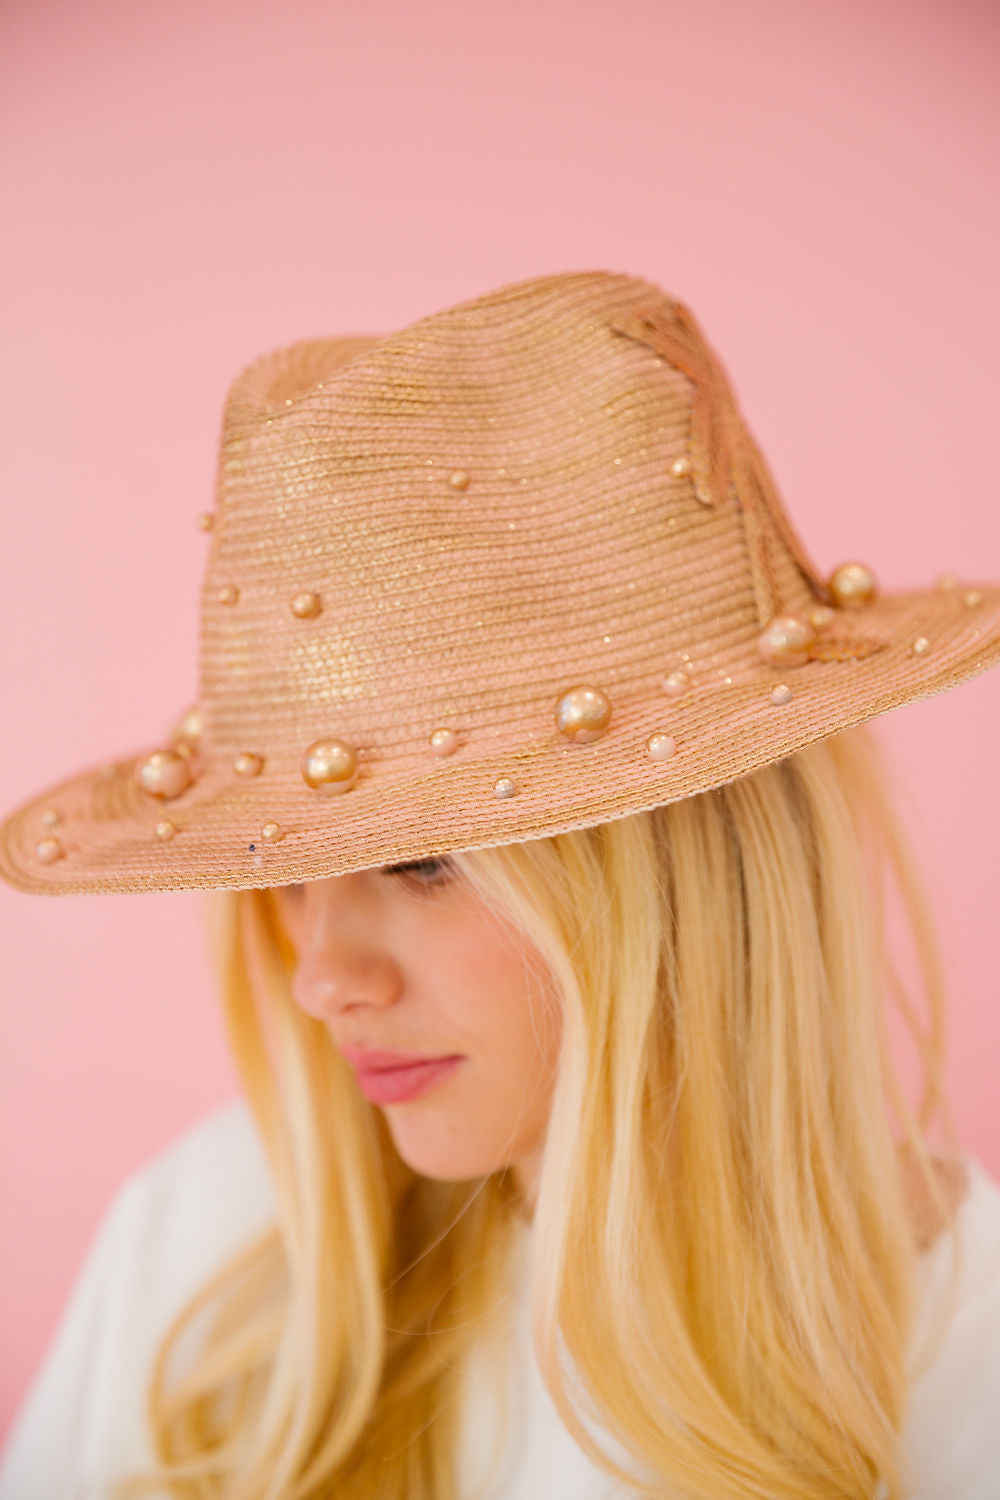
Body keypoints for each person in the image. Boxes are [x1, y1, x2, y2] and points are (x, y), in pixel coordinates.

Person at [1, 269, 998, 1500]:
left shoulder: (970, 1359)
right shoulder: (212, 1253)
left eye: (423, 860)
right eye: (293, 873)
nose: (320, 976)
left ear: (685, 864)